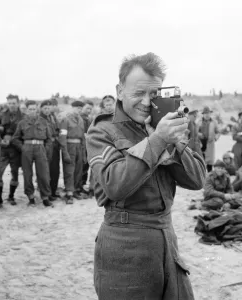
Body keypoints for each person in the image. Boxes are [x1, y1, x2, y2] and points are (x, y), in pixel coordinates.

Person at [86, 52, 206, 300]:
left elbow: (197, 180)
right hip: (125, 246)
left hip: (166, 242)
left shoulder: (161, 124)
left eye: (153, 94)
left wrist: (170, 141)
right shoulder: (102, 129)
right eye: (137, 93)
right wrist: (158, 140)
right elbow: (114, 185)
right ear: (119, 91)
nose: (145, 102)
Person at [12, 100, 53, 207]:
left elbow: (49, 139)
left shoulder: (44, 122)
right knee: (27, 174)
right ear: (26, 110)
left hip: (40, 148)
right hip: (27, 148)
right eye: (30, 109)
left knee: (43, 174)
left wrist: (45, 149)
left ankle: (45, 197)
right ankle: (30, 197)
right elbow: (15, 138)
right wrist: (23, 148)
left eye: (34, 109)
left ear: (37, 109)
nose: (32, 111)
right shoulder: (22, 123)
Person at [0, 94, 25, 207]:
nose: (11, 105)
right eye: (9, 103)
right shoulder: (1, 115)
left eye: (14, 103)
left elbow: (25, 133)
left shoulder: (23, 117)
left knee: (15, 174)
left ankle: (11, 196)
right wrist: (1, 139)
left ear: (18, 103)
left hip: (16, 149)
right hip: (3, 149)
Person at [59, 101, 86, 204]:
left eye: (80, 108)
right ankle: (69, 193)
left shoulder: (81, 120)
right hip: (69, 146)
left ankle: (74, 190)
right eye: (76, 108)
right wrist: (65, 152)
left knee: (78, 170)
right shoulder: (65, 120)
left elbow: (83, 137)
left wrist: (83, 153)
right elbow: (62, 137)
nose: (78, 110)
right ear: (71, 108)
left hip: (79, 147)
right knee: (69, 170)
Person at [39, 100, 60, 201]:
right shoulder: (39, 119)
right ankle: (47, 193)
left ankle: (53, 191)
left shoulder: (53, 117)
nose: (47, 110)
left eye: (49, 108)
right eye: (45, 108)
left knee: (55, 170)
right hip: (45, 146)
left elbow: (57, 129)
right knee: (46, 171)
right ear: (41, 109)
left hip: (55, 145)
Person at [198, 106, 220, 172]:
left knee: (210, 160)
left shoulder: (214, 122)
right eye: (205, 113)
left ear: (210, 114)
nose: (207, 115)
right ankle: (202, 175)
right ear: (203, 114)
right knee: (201, 159)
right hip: (201, 142)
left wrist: (216, 138)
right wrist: (199, 134)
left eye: (208, 113)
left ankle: (209, 174)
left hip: (210, 142)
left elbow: (218, 132)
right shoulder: (198, 121)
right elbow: (195, 131)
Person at [80, 100, 94, 197]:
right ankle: (80, 186)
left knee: (86, 166)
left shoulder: (88, 119)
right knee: (82, 166)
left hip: (87, 145)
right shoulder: (81, 118)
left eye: (90, 109)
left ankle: (83, 185)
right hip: (82, 145)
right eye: (87, 108)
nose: (89, 110)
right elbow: (84, 134)